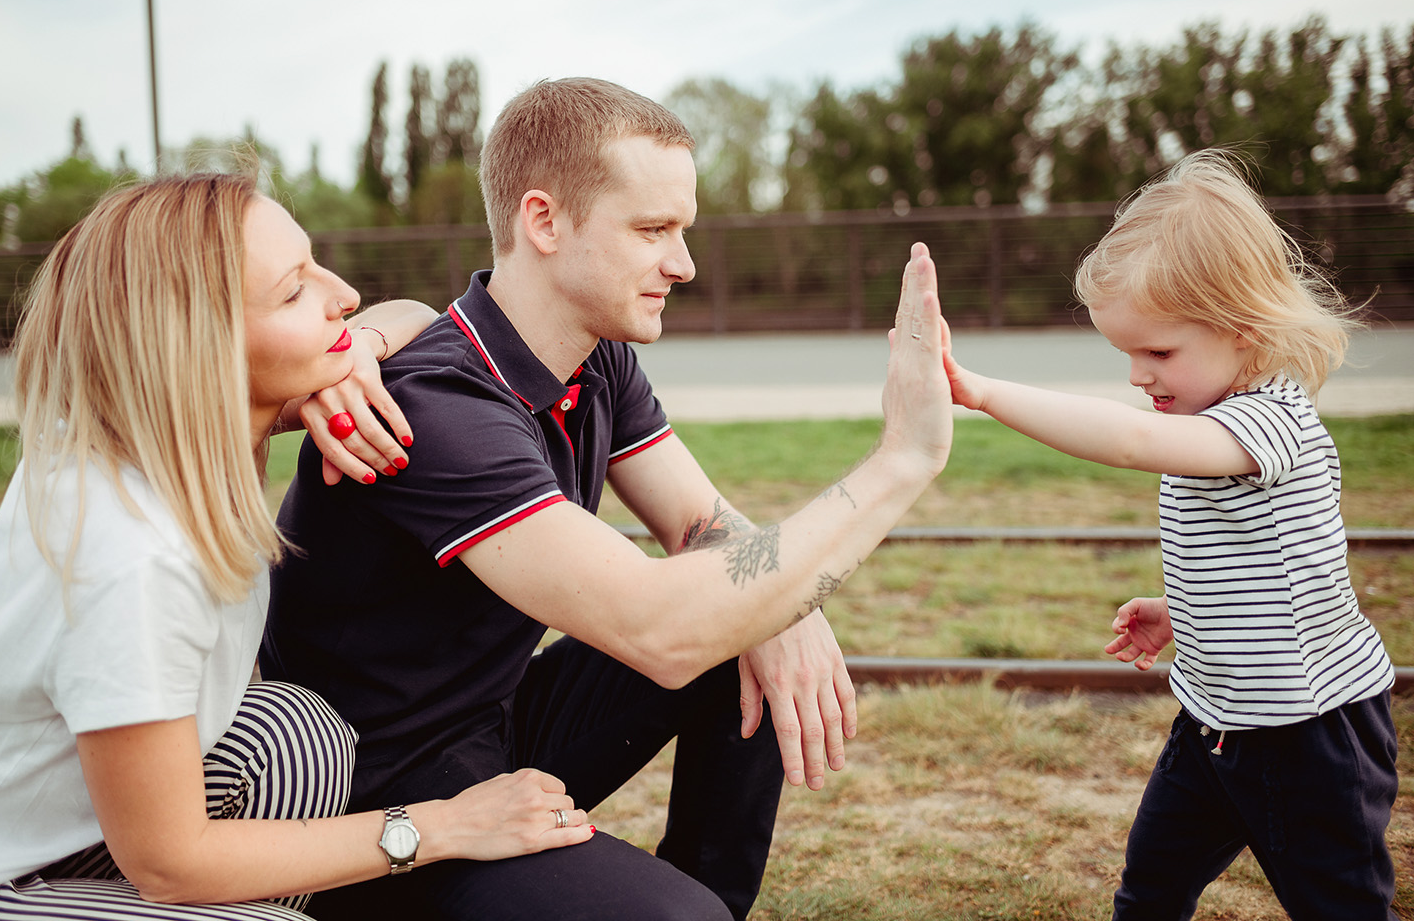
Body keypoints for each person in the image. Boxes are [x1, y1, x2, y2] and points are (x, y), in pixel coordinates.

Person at [259, 77, 954, 921]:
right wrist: (900, 460)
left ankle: (711, 901)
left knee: (751, 621)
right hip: (380, 811)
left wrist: (788, 610)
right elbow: (659, 630)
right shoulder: (437, 406)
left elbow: (703, 527)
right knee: (727, 620)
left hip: (496, 730)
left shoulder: (595, 359)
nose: (683, 263)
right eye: (652, 230)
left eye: (683, 229)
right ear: (544, 221)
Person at [0, 172, 601, 921]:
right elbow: (171, 861)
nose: (341, 293)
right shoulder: (131, 554)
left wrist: (356, 347)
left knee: (298, 736)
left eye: (315, 266)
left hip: (43, 832)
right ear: (203, 348)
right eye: (292, 293)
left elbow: (414, 313)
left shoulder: (163, 437)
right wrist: (439, 826)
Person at [942, 149, 1397, 920]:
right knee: (1149, 889)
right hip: (1213, 722)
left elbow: (1127, 444)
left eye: (1157, 352)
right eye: (1125, 353)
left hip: (1307, 738)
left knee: (1340, 908)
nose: (1136, 376)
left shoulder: (1269, 421)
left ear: (1244, 331)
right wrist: (1183, 608)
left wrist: (983, 392)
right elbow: (1268, 564)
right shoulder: (1208, 414)